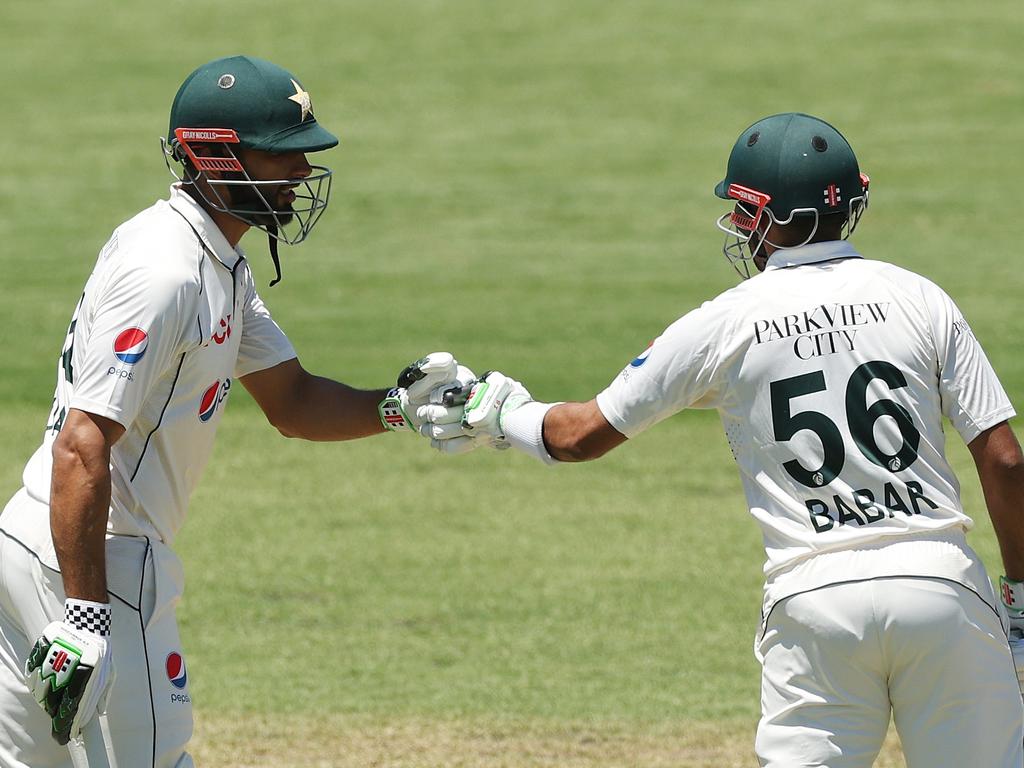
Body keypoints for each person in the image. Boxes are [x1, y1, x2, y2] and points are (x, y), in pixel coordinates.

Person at [443, 112, 1024, 766]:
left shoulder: (725, 321)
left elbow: (577, 436)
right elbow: (1003, 459)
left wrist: (494, 410)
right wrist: (1023, 597)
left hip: (815, 598)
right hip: (941, 584)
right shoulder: (921, 298)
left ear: (763, 217)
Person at [0, 55, 472, 768]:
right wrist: (85, 615)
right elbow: (82, 444)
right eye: (281, 156)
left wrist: (397, 408)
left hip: (53, 546)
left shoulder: (217, 260)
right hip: (96, 560)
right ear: (214, 159)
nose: (302, 173)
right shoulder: (167, 273)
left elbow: (293, 401)